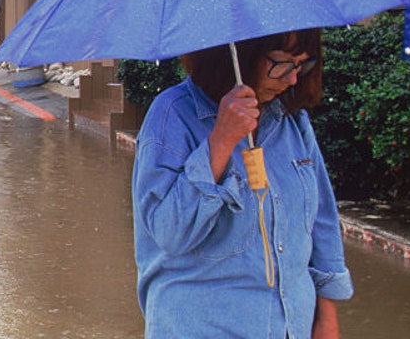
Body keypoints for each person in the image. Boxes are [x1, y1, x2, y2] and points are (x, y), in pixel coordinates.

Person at [132, 29, 353, 338]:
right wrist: (221, 141)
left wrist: (326, 317)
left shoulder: (291, 120)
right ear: (240, 55)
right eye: (282, 63)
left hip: (291, 327)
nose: (292, 79)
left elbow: (321, 220)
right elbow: (170, 234)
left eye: (302, 64)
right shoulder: (172, 115)